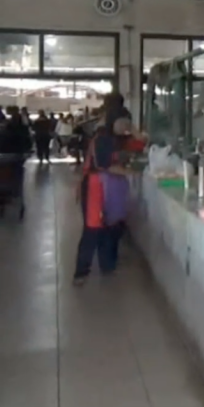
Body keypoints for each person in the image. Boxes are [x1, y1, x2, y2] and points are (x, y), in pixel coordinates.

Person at [74, 117, 143, 285]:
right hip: (94, 188)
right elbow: (104, 166)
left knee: (110, 226)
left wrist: (133, 129)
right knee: (92, 229)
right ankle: (81, 273)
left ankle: (107, 265)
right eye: (124, 125)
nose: (126, 129)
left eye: (128, 126)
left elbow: (140, 142)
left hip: (108, 188)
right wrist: (129, 173)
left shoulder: (117, 138)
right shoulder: (102, 139)